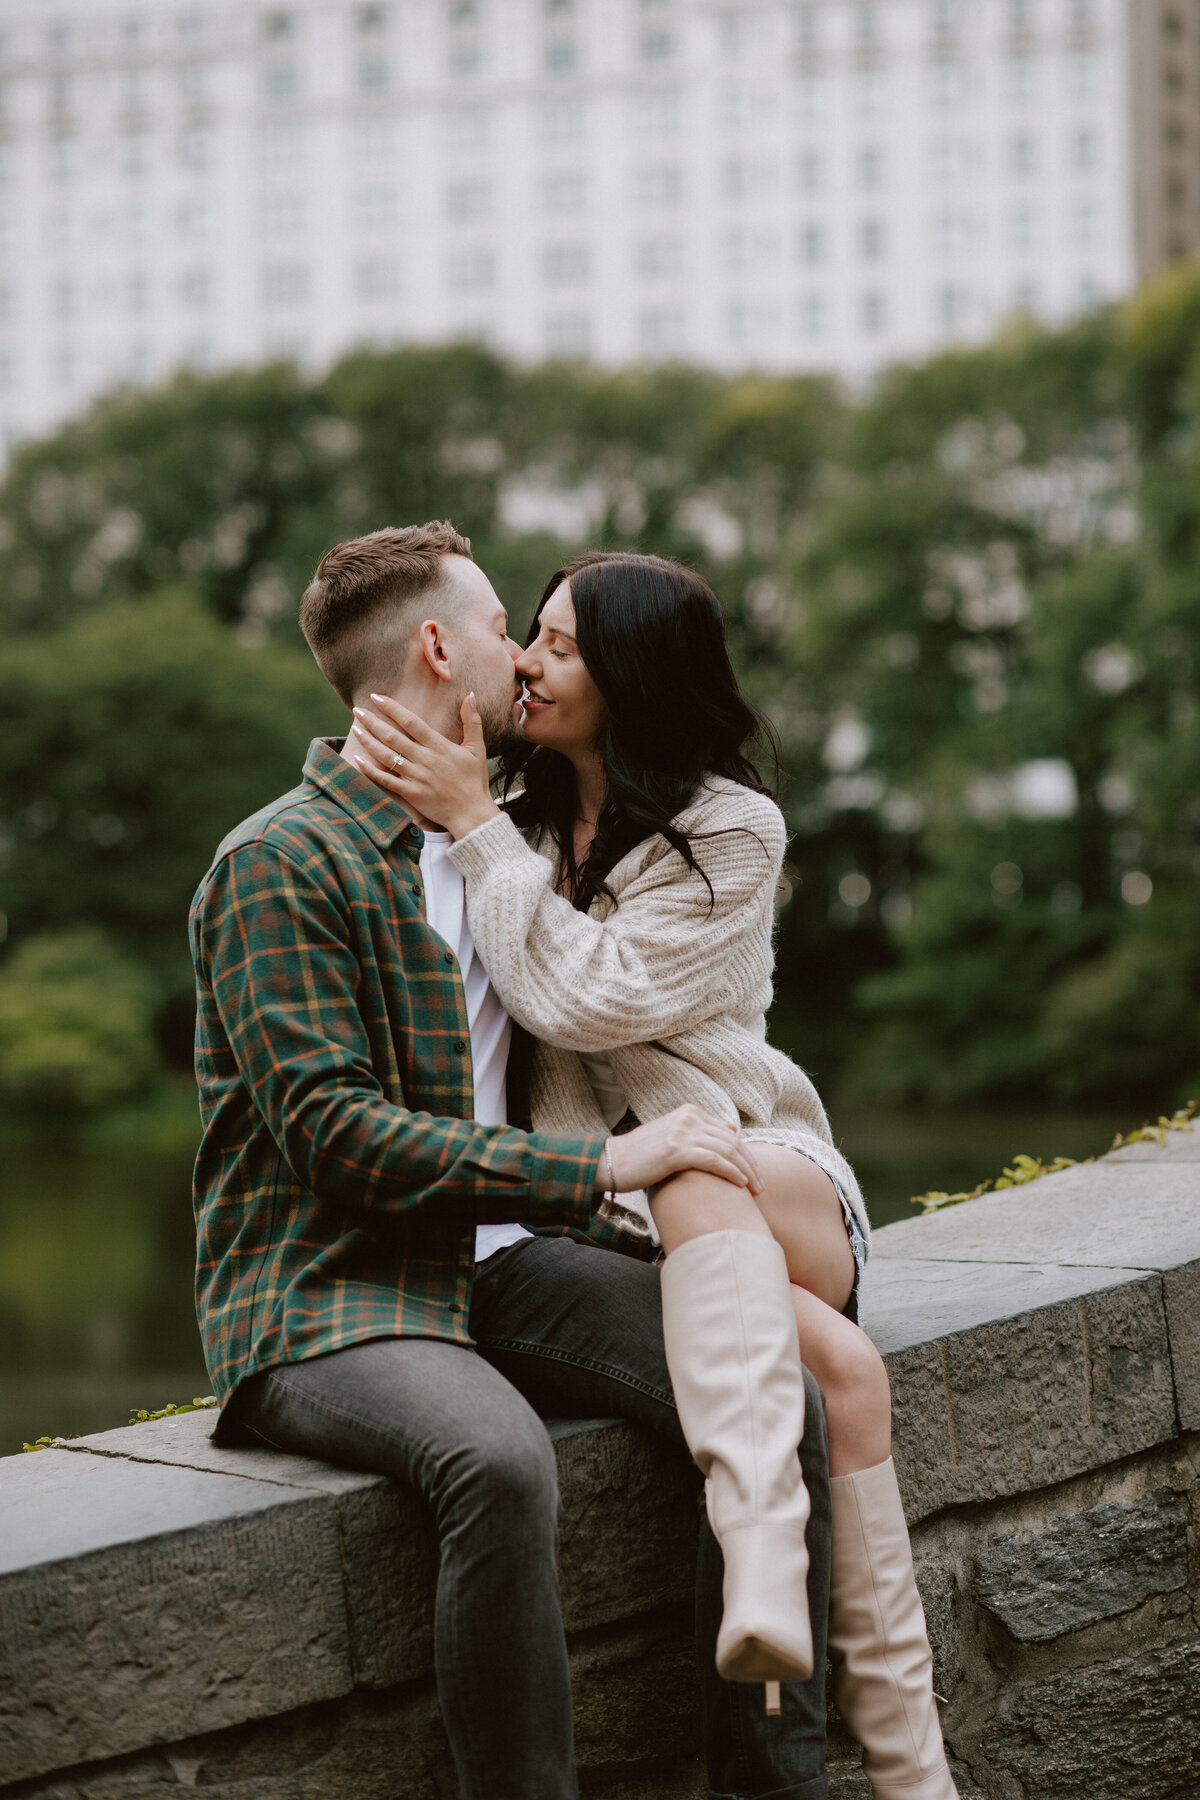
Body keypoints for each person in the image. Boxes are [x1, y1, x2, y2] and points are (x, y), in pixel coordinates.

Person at [189, 520, 838, 1800]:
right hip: (330, 1290)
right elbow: (336, 1138)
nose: (524, 656)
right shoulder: (279, 865)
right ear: (438, 646)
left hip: (506, 1270)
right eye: (504, 627)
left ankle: (773, 1788)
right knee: (496, 1460)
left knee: (782, 1402)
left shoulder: (511, 838)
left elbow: (623, 949)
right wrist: (597, 1174)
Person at [349, 549, 959, 1800]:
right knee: (833, 1371)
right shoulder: (515, 826)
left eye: (564, 646)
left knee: (697, 1163)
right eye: (532, 632)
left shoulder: (732, 828)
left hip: (762, 1161)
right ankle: (913, 1777)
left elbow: (590, 996)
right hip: (619, 1209)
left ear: (634, 674)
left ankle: (762, 1558)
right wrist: (472, 816)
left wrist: (472, 827)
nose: (528, 658)